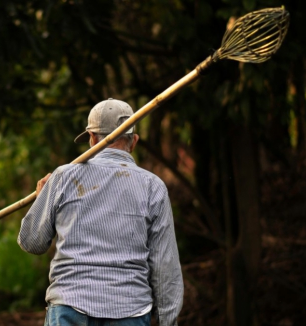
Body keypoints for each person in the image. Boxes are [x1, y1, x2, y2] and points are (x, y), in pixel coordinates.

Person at [17, 98, 183, 326]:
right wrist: (168, 322)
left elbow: (32, 242)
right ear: (133, 141)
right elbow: (165, 266)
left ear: (92, 139)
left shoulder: (62, 177)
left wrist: (40, 200)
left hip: (69, 308)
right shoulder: (153, 187)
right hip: (130, 311)